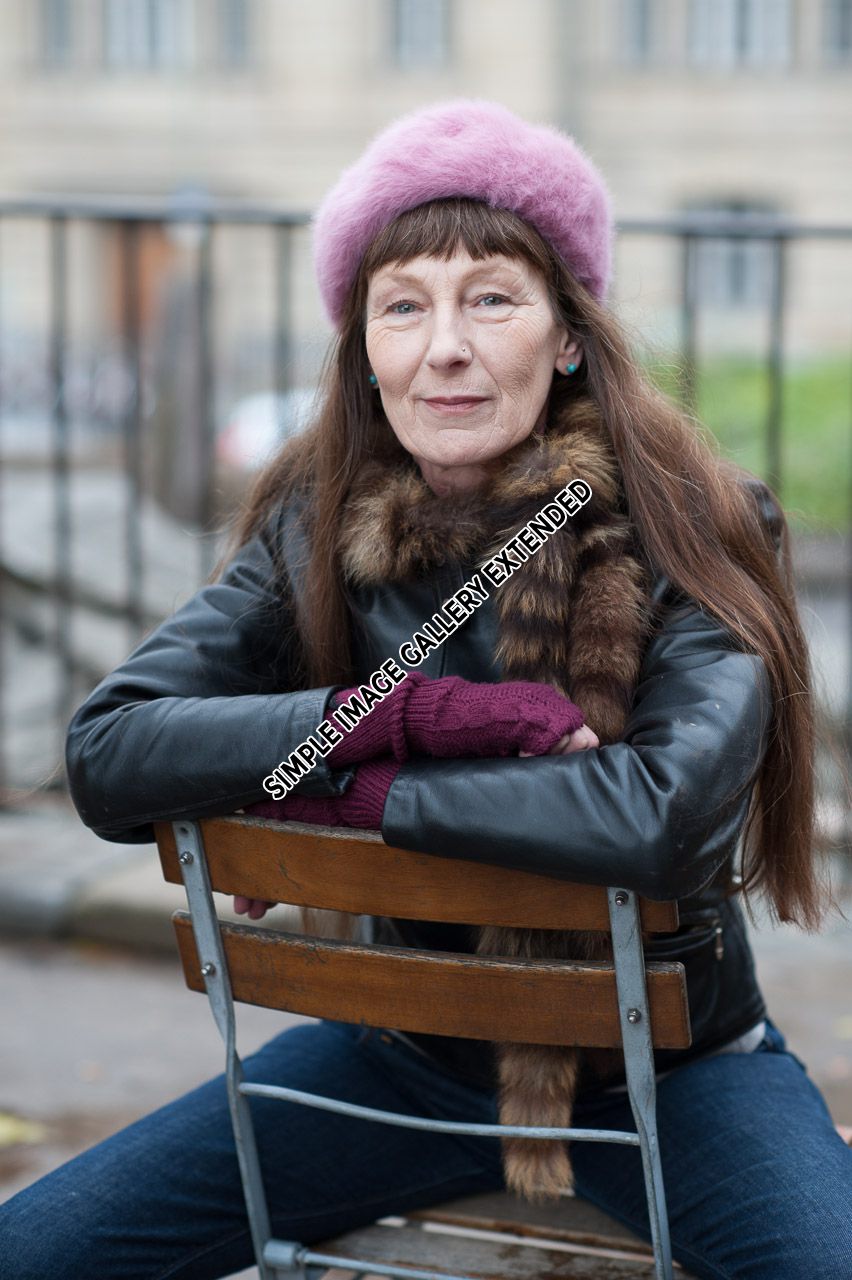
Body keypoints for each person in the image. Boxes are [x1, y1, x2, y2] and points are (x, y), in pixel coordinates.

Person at [2, 97, 850, 1280]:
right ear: (366, 348)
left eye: (491, 299)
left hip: (672, 1073)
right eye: (402, 306)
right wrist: (400, 717)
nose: (444, 346)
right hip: (401, 1057)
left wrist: (330, 792)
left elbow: (659, 815)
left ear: (568, 336)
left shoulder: (698, 520)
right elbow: (111, 749)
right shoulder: (311, 523)